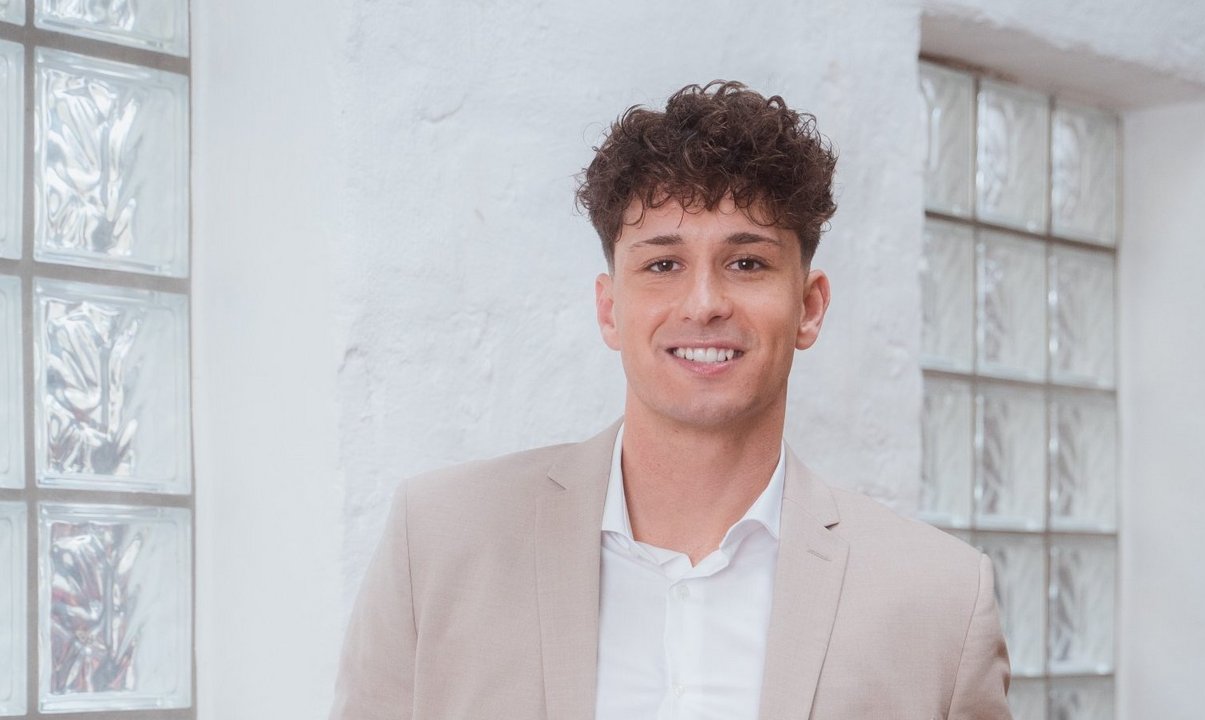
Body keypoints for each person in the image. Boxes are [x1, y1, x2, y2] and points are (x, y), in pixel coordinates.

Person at [330, 81, 1012, 720]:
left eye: (747, 262)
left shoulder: (943, 604)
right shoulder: (441, 542)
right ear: (609, 309)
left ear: (808, 307)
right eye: (662, 264)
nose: (706, 303)